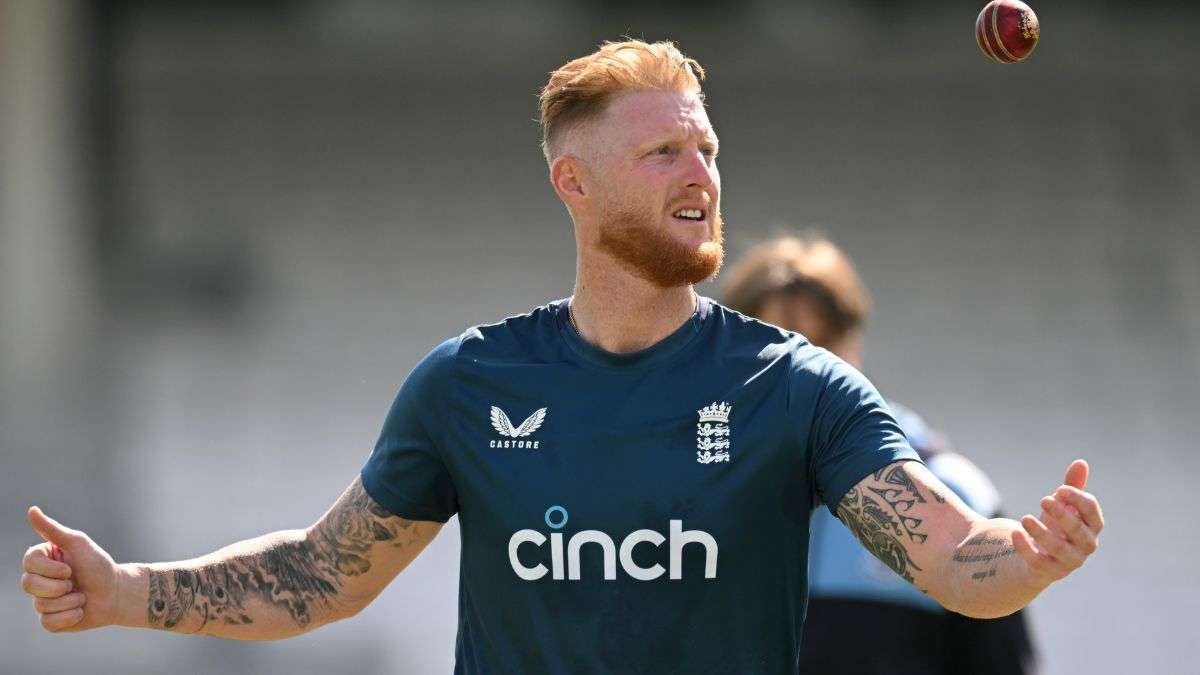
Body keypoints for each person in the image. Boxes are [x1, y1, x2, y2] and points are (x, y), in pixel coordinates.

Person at [20, 40, 1102, 674]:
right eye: (665, 150)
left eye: (709, 149)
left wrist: (1028, 557)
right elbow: (319, 577)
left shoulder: (799, 388)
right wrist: (125, 592)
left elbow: (960, 563)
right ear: (573, 185)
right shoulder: (470, 384)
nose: (703, 172)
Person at [722, 235, 1038, 674]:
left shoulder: (952, 492)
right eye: (774, 352)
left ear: (855, 347)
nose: (800, 373)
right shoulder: (688, 490)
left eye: (819, 347)